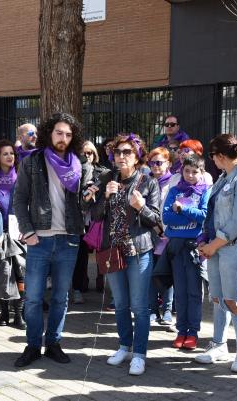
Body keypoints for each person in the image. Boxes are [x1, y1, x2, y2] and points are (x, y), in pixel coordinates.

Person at [13, 112, 91, 368]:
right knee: (34, 297)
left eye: (68, 134)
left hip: (68, 238)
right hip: (39, 240)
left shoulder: (79, 163)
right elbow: (20, 199)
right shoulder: (32, 161)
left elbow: (88, 198)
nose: (63, 138)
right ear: (49, 133)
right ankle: (33, 345)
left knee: (60, 297)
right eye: (59, 133)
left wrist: (92, 194)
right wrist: (28, 232)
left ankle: (54, 343)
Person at [84, 133, 160, 376]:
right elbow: (94, 215)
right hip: (111, 251)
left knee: (139, 306)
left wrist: (141, 207)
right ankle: (124, 346)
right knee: (120, 305)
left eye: (127, 152)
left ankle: (139, 354)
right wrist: (105, 196)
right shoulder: (107, 178)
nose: (122, 156)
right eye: (118, 152)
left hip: (138, 251)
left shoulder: (148, 182)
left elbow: (157, 221)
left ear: (137, 156)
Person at [195, 134, 237, 373]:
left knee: (233, 299)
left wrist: (213, 245)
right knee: (218, 298)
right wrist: (205, 240)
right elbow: (211, 212)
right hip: (217, 247)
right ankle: (219, 344)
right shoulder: (224, 178)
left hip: (235, 249)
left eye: (212, 156)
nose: (212, 160)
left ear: (219, 155)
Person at [162, 153, 209, 349]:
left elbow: (203, 216)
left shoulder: (205, 191)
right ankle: (181, 330)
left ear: (201, 172)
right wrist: (186, 216)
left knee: (194, 291)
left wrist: (182, 210)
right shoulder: (174, 190)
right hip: (175, 247)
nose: (190, 175)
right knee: (180, 291)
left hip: (194, 248)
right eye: (187, 171)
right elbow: (166, 218)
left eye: (194, 172)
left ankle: (193, 332)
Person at [0, 139, 26, 328]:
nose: (9, 156)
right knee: (3, 273)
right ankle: (4, 313)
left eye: (12, 153)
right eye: (5, 153)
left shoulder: (21, 176)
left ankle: (19, 314)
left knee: (21, 272)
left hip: (19, 231)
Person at [72, 140, 108, 304]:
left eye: (90, 153)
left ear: (95, 155)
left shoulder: (103, 172)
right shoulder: (74, 171)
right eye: (84, 153)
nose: (87, 156)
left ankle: (101, 280)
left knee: (101, 251)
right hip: (80, 219)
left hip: (98, 218)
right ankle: (78, 287)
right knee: (80, 256)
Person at [147, 147, 174, 325]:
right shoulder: (146, 181)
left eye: (159, 162)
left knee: (166, 272)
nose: (156, 166)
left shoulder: (173, 182)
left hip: (167, 234)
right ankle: (152, 309)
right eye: (152, 163)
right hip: (150, 233)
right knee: (150, 272)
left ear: (168, 163)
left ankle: (167, 310)